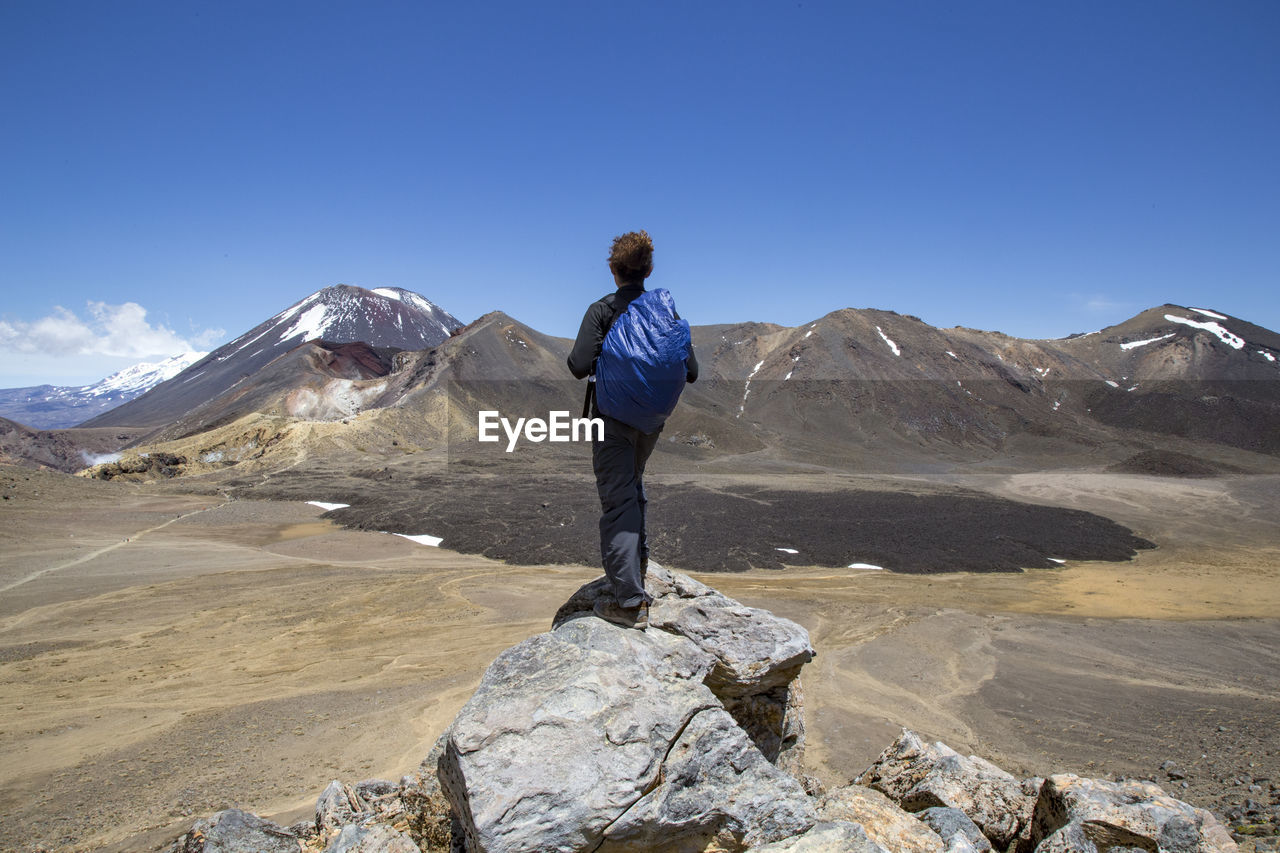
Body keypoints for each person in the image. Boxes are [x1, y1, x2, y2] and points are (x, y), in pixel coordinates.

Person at [567, 231, 699, 630]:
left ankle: (628, 603)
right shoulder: (666, 313)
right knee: (633, 487)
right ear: (648, 269)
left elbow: (576, 365)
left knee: (618, 502)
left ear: (614, 270)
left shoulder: (603, 310)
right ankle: (637, 566)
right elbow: (691, 371)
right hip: (651, 424)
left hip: (613, 421)